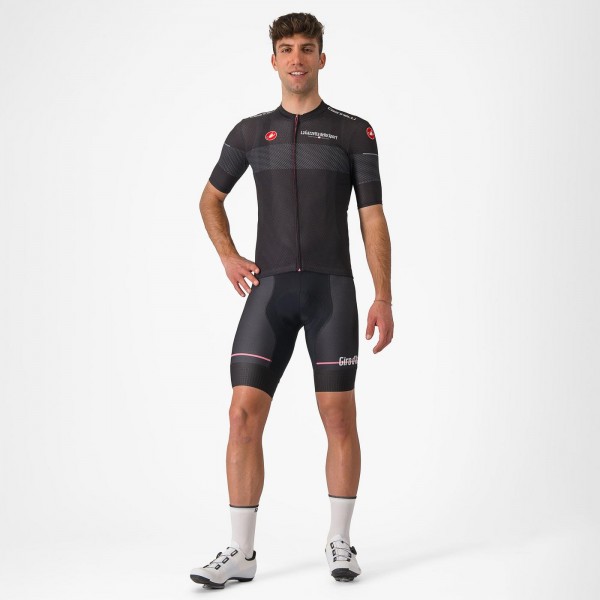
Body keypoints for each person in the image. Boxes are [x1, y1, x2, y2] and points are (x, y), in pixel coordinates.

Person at [190, 12, 393, 589]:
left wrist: (383, 295)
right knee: (241, 414)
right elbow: (209, 199)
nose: (297, 58)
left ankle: (339, 540)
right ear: (274, 60)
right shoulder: (251, 133)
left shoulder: (354, 132)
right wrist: (229, 256)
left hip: (332, 291)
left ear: (322, 58)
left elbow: (372, 217)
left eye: (307, 48)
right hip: (272, 292)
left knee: (339, 416)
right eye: (287, 48)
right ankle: (241, 552)